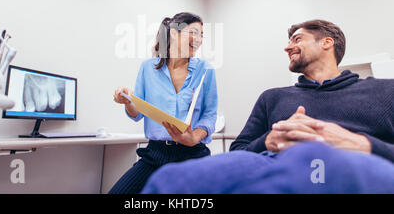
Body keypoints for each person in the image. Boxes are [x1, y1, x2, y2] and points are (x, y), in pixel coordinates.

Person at [141, 19, 394, 194]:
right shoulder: (272, 97)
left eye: (297, 39)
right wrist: (268, 140)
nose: (287, 46)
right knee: (171, 180)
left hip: (353, 162)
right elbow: (239, 149)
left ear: (327, 43)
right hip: (270, 163)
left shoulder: (384, 91)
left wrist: (363, 144)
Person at [109, 12, 218, 194]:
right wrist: (128, 101)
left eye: (201, 35)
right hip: (155, 155)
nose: (198, 40)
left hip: (193, 155)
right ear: (174, 33)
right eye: (193, 32)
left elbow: (209, 114)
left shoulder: (205, 69)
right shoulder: (147, 68)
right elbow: (137, 113)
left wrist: (194, 138)